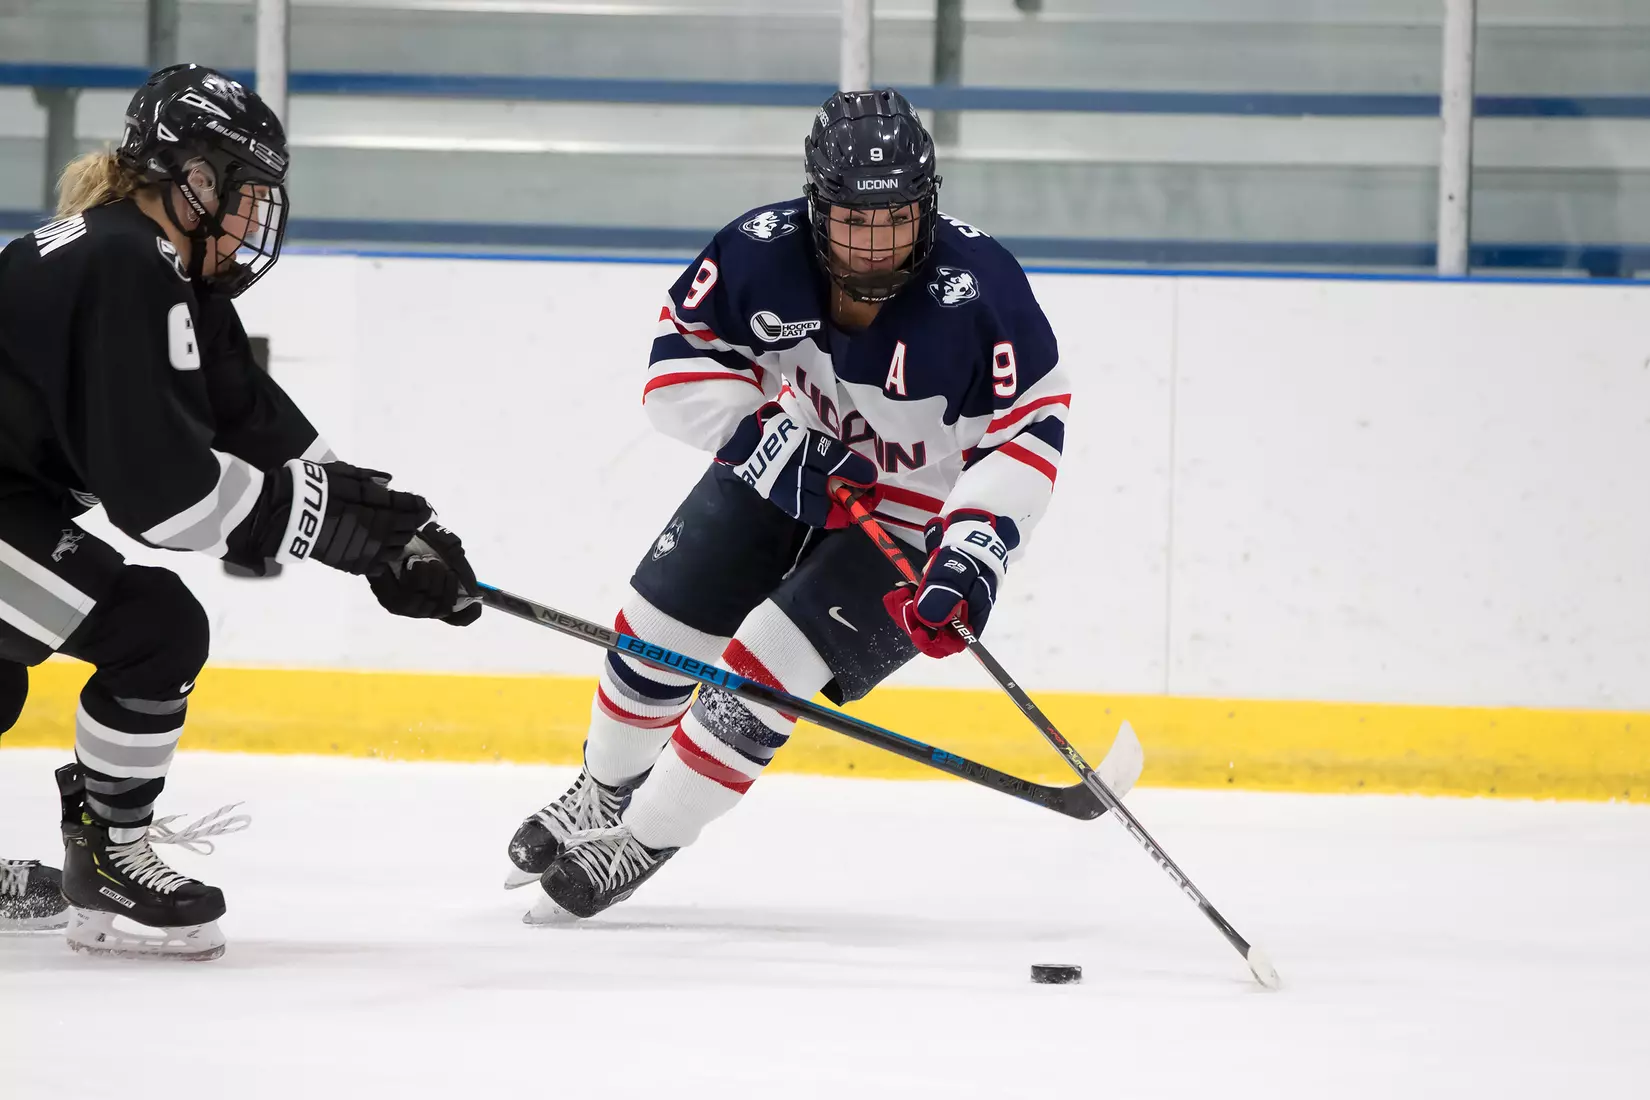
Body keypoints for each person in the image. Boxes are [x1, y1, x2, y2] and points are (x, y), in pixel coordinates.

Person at [506, 88, 1070, 919]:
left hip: (918, 508)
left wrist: (971, 554)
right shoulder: (758, 251)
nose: (876, 245)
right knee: (659, 620)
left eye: (897, 219)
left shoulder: (983, 289)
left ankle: (647, 836)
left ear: (929, 206)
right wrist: (761, 437)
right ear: (816, 206)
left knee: (762, 671)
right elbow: (677, 368)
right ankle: (603, 792)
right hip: (791, 453)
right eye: (853, 220)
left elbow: (1029, 430)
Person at [0, 64, 479, 957]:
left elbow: (258, 427)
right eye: (247, 191)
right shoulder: (122, 265)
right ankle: (114, 854)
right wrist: (338, 531)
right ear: (194, 178)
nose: (259, 219)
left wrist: (393, 534)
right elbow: (171, 500)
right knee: (154, 627)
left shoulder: (156, 273)